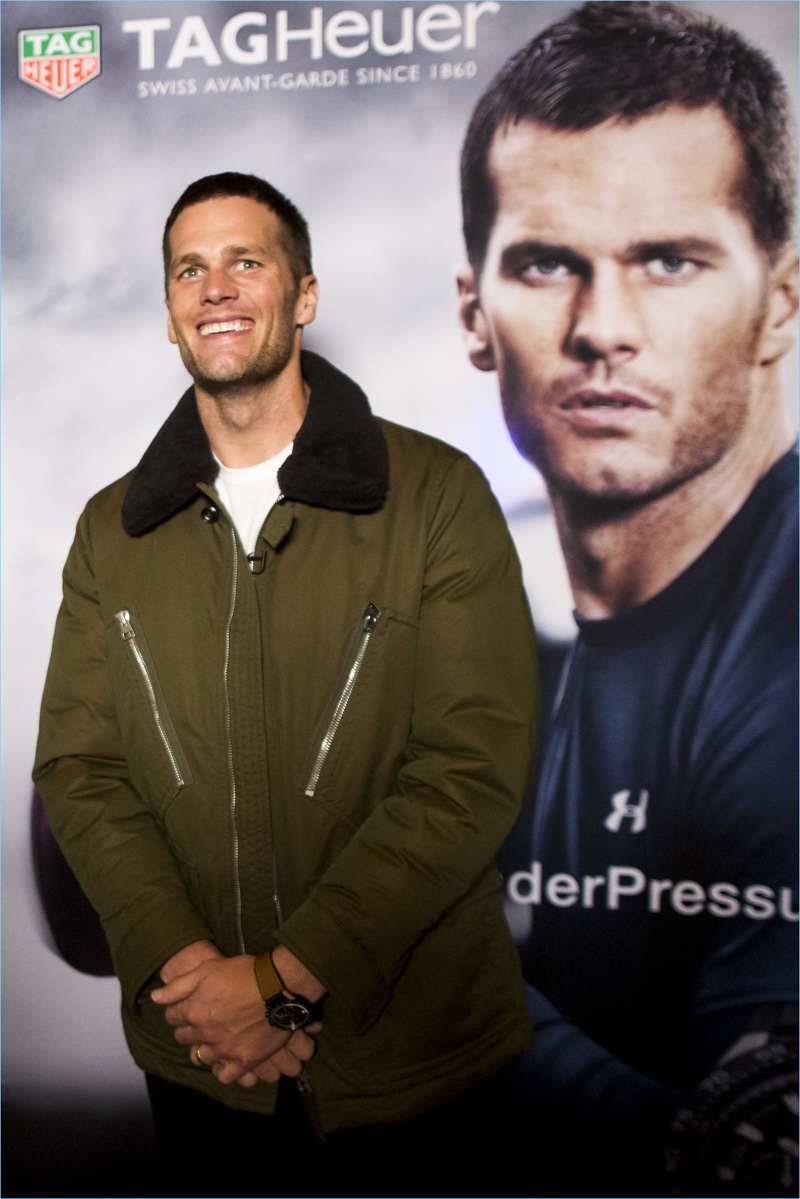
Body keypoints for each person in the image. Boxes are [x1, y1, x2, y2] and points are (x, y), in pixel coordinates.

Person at [33, 171, 539, 1197]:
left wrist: (280, 983)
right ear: (171, 309)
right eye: (190, 267)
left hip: (408, 1060)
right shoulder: (110, 528)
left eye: (245, 260)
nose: (215, 286)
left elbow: (468, 768)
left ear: (302, 295)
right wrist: (198, 983)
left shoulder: (435, 494)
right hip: (203, 1064)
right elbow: (81, 770)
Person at [457, 4, 798, 1195]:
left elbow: (755, 1157)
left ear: (780, 301)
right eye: (547, 264)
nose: (602, 330)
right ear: (474, 316)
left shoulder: (781, 654)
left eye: (669, 259)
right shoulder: (469, 620)